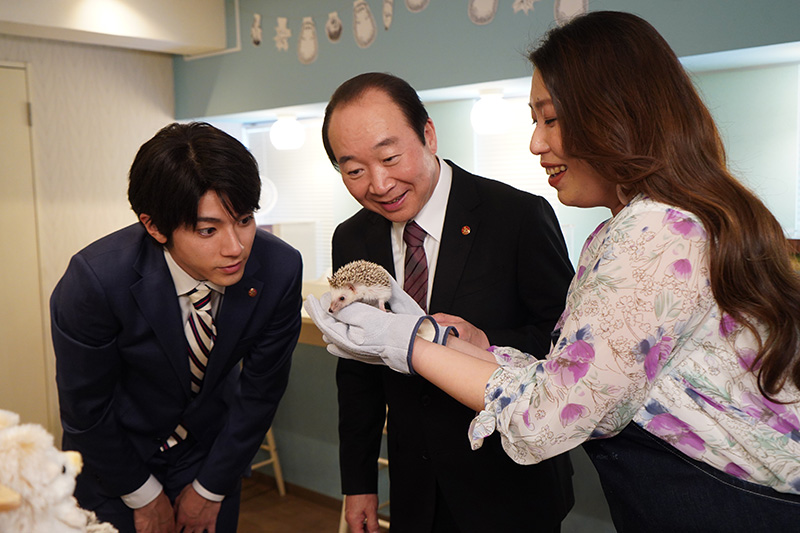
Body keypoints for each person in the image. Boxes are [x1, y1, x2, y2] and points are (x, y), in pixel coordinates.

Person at [307, 11, 800, 532]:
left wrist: (408, 342)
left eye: (551, 119)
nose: (536, 143)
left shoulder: (653, 231)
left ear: (617, 115)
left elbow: (548, 412)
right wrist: (442, 339)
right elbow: (573, 368)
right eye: (354, 169)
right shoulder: (633, 227)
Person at [321, 72, 575, 532]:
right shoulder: (352, 237)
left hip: (509, 484)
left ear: (429, 135)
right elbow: (357, 374)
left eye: (390, 158)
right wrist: (358, 483)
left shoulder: (516, 216)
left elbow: (565, 347)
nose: (379, 184)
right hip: (415, 488)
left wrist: (484, 340)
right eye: (354, 171)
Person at [51, 122, 303, 533]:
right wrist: (142, 496)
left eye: (244, 220)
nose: (236, 247)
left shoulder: (279, 268)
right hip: (115, 460)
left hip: (211, 455)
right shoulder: (96, 280)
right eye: (208, 230)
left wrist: (210, 488)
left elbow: (261, 391)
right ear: (154, 227)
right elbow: (86, 410)